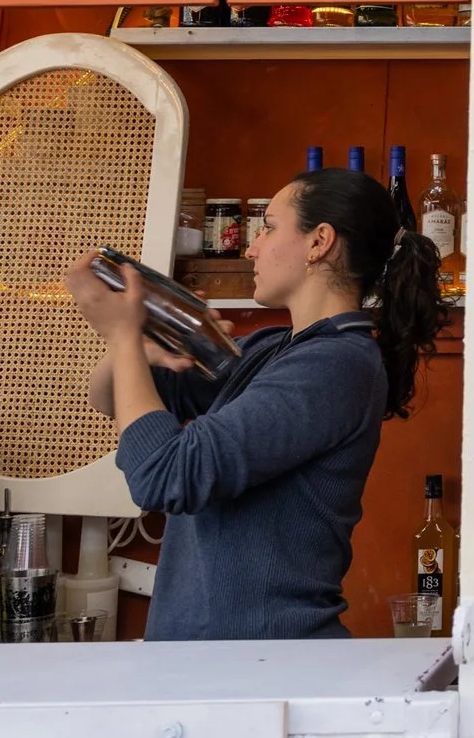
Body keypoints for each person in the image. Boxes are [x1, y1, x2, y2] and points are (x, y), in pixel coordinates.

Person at [66, 166, 445, 639]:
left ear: (319, 241)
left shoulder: (336, 363)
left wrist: (120, 335)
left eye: (268, 228)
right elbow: (112, 400)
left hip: (264, 658)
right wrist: (136, 348)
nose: (251, 247)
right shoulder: (271, 347)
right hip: (214, 661)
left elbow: (165, 474)